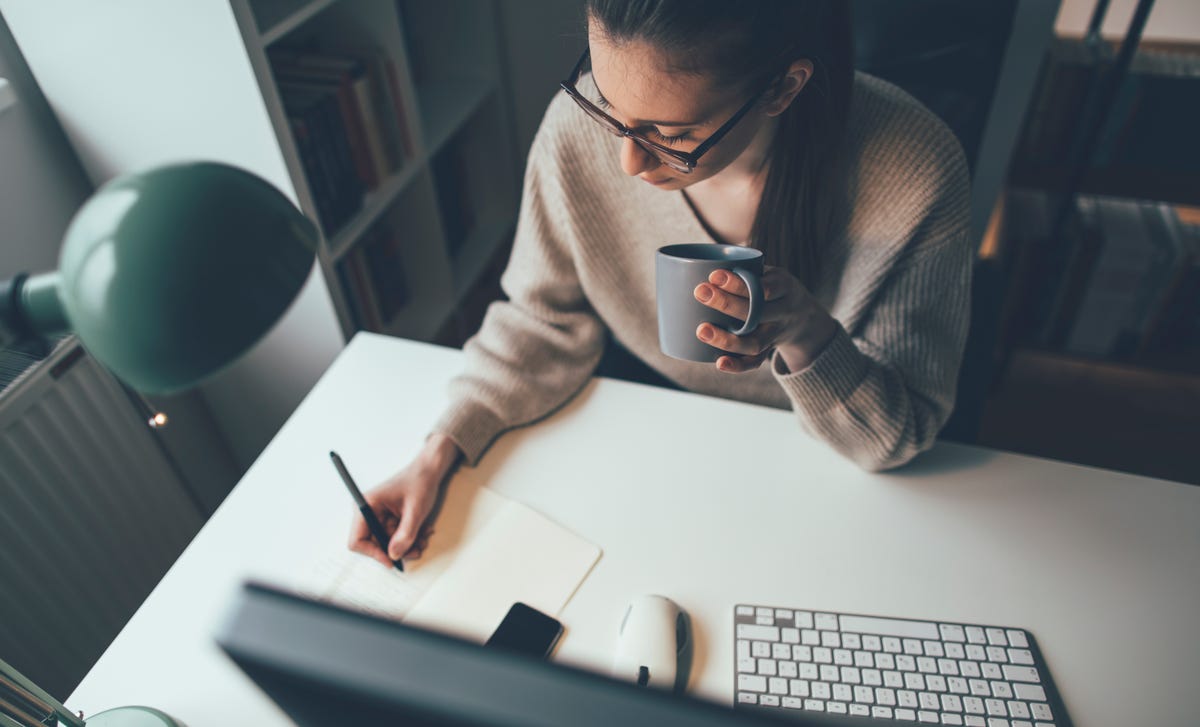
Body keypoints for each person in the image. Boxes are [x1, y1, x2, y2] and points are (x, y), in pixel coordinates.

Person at [350, 0, 971, 567]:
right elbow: (542, 319)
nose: (627, 161)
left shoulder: (914, 169)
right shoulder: (578, 130)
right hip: (643, 440)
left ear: (783, 88)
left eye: (671, 137)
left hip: (828, 487)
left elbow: (898, 430)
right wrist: (436, 454)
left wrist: (809, 334)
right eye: (608, 106)